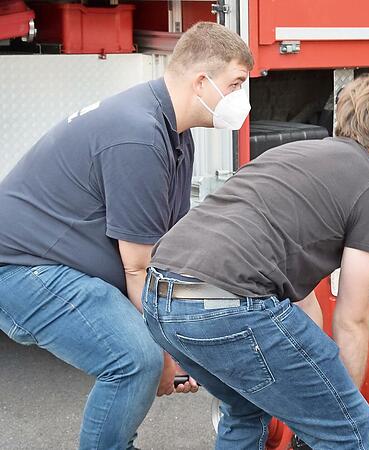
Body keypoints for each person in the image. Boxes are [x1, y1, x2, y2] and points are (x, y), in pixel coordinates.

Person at [0, 22, 253, 449]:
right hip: (22, 270)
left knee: (207, 312)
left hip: (60, 263)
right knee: (137, 360)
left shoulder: (175, 133)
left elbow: (167, 251)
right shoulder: (137, 135)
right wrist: (169, 358)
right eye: (237, 83)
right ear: (201, 82)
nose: (241, 98)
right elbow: (140, 271)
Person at [141, 74, 369, 449]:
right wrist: (336, 406)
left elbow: (298, 296)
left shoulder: (293, 154)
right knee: (351, 428)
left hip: (160, 297)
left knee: (245, 409)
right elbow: (354, 318)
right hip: (228, 304)